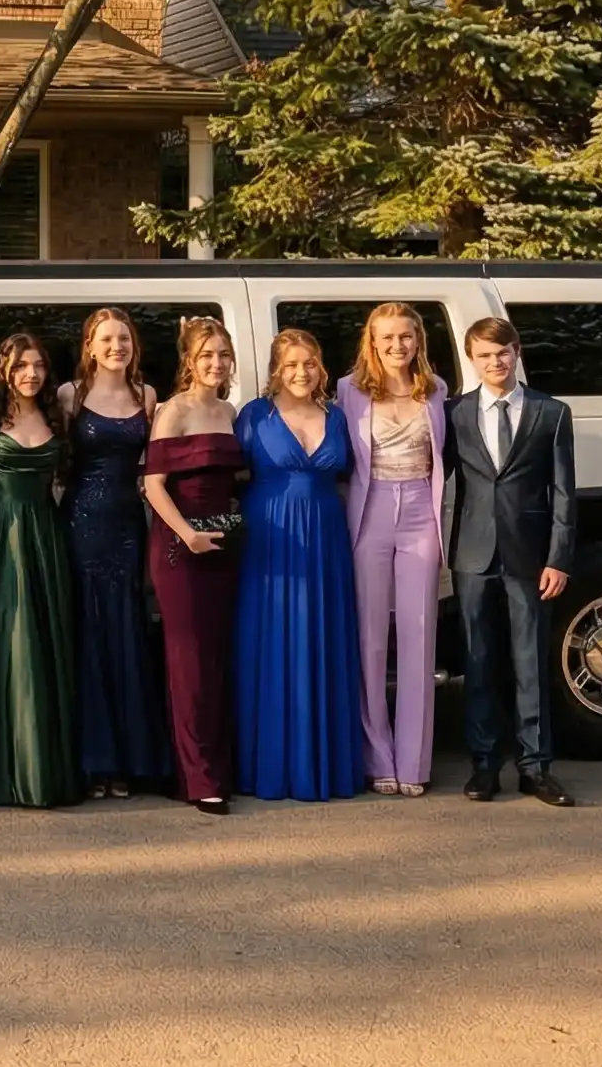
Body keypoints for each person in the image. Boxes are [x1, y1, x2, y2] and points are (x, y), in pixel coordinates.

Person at [443, 315, 579, 807]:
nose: (494, 362)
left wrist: (558, 558)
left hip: (530, 557)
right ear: (471, 360)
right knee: (478, 661)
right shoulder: (454, 413)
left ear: (516, 352)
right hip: (473, 555)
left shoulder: (551, 412)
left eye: (502, 353)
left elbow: (564, 492)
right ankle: (484, 765)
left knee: (530, 662)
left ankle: (535, 767)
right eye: (484, 355)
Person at [234, 329, 364, 803]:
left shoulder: (339, 417)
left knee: (322, 638)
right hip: (269, 539)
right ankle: (269, 763)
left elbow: (350, 481)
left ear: (321, 367)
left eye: (309, 363)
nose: (301, 372)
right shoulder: (254, 416)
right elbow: (228, 476)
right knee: (270, 642)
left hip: (326, 540)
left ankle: (323, 762)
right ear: (275, 369)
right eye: (291, 365)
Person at [60, 308, 172, 798]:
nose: (115, 347)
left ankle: (128, 759)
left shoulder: (147, 397)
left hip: (129, 524)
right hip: (81, 522)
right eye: (105, 339)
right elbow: (56, 462)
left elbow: (156, 466)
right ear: (89, 345)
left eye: (123, 339)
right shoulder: (70, 396)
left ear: (134, 345)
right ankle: (93, 763)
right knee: (87, 634)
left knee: (127, 633)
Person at [338, 303, 448, 797]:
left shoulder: (438, 390)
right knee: (370, 639)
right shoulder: (349, 391)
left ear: (418, 340)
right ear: (372, 342)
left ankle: (414, 762)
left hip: (422, 509)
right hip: (372, 510)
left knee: (419, 636)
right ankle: (377, 757)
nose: (397, 345)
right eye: (387, 337)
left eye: (406, 336)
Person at [0, 332, 83, 809]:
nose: (30, 374)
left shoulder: (58, 414)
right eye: (20, 366)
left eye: (37, 365)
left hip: (45, 537)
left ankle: (47, 769)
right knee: (8, 644)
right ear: (4, 369)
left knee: (45, 642)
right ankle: (5, 771)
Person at [142, 317, 245, 814]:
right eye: (206, 355)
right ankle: (197, 777)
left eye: (223, 354)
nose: (216, 363)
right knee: (188, 663)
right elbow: (154, 483)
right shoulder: (173, 411)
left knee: (218, 659)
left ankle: (218, 769)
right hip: (180, 547)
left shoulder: (230, 411)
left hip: (224, 545)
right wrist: (188, 535)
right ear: (189, 360)